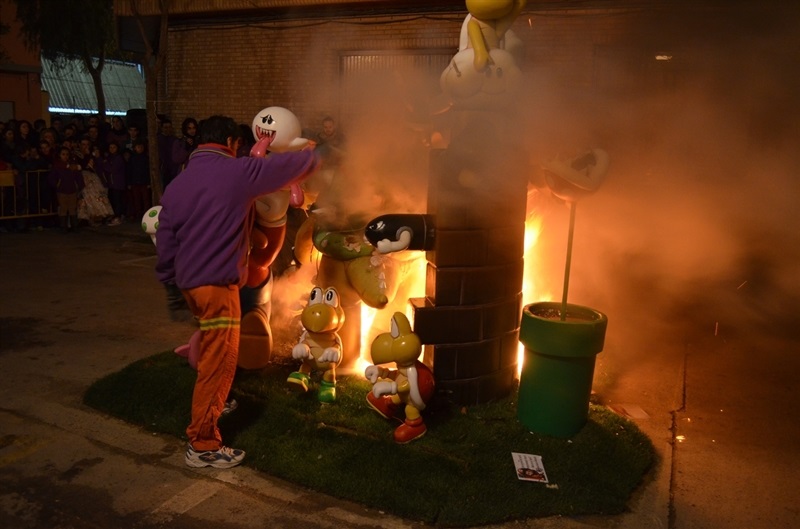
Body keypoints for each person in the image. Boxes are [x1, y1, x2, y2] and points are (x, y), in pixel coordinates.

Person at [154, 115, 319, 469]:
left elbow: (165, 241)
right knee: (220, 361)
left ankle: (216, 402)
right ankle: (203, 444)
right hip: (217, 286)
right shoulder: (236, 171)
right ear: (231, 142)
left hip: (190, 284)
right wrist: (310, 153)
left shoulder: (178, 183)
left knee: (211, 350)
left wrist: (169, 281)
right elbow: (288, 167)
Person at [47, 146, 84, 233]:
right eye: (63, 154)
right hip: (62, 190)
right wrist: (57, 185)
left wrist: (79, 186)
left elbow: (78, 176)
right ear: (59, 155)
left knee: (72, 208)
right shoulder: (57, 166)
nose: (65, 156)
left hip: (72, 189)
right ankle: (63, 227)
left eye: (67, 154)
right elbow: (51, 177)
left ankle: (74, 226)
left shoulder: (72, 166)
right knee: (63, 208)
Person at [100, 142, 126, 224]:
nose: (112, 149)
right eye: (110, 147)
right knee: (113, 200)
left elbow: (112, 169)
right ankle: (115, 216)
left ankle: (118, 217)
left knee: (117, 201)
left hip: (117, 183)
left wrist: (105, 163)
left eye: (114, 147)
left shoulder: (118, 158)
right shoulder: (109, 157)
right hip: (111, 184)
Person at [126, 138, 151, 222]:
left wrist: (148, 182)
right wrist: (129, 183)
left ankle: (146, 214)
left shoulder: (146, 158)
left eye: (141, 147)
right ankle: (138, 214)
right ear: (135, 148)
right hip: (135, 182)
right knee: (136, 199)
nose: (140, 148)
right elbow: (129, 171)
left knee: (146, 199)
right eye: (138, 147)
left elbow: (148, 170)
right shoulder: (132, 158)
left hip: (144, 182)